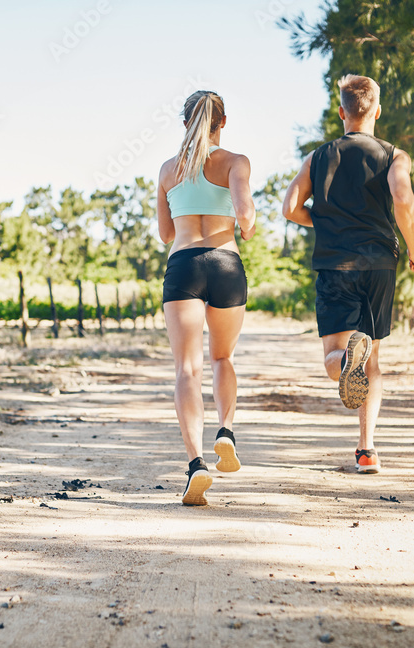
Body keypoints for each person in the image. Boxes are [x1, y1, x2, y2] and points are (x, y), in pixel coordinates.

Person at [282, 74, 414, 474]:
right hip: (380, 263)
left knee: (335, 354)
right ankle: (367, 451)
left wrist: (324, 224)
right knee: (372, 358)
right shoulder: (395, 156)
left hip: (334, 263)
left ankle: (345, 359)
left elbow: (289, 207)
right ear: (377, 111)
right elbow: (402, 197)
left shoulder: (318, 157)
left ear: (342, 112)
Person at [157, 90, 256, 505]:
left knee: (186, 370)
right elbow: (245, 214)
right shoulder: (236, 162)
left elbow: (165, 235)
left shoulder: (167, 169)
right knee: (222, 358)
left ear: (184, 124)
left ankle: (196, 464)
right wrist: (245, 227)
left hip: (184, 266)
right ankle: (226, 432)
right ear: (223, 122)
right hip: (225, 265)